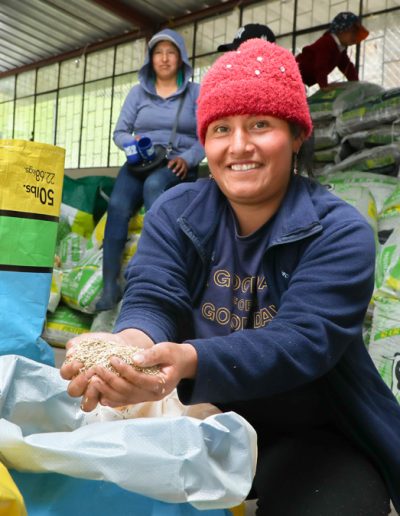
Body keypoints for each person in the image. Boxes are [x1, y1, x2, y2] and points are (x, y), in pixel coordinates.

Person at [61, 40, 400, 515]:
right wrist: (128, 348)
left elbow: (302, 340)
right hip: (197, 413)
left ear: (296, 134)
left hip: (308, 429)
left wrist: (188, 359)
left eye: (260, 124)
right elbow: (155, 296)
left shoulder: (339, 230)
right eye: (222, 128)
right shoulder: (176, 211)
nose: (239, 146)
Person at [95, 28, 205, 312]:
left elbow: (206, 135)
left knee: (154, 186)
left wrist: (189, 158)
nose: (164, 58)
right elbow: (119, 132)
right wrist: (131, 144)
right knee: (117, 205)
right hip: (141, 160)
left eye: (171, 53)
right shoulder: (138, 93)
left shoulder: (195, 93)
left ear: (181, 58)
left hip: (176, 162)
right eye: (158, 53)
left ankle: (159, 273)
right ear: (150, 59)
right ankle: (110, 286)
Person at [296, 11, 369, 89]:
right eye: (353, 32)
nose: (355, 37)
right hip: (295, 72)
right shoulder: (327, 42)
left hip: (302, 78)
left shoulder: (340, 50)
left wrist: (356, 84)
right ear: (342, 30)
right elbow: (320, 65)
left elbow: (347, 67)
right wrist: (324, 86)